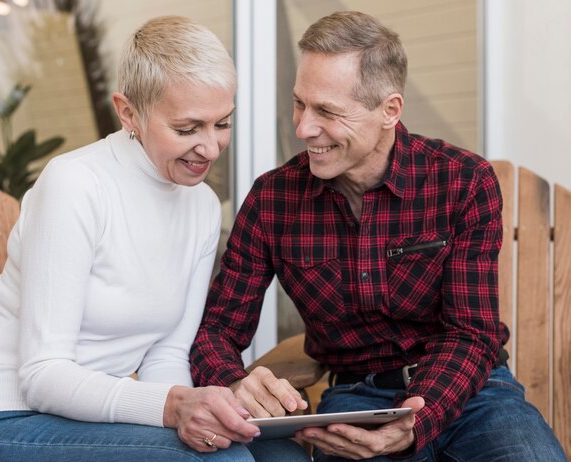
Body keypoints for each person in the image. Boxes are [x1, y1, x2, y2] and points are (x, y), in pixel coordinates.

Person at [190, 10, 567, 462]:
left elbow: (471, 331)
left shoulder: (462, 182)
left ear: (389, 110)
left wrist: (417, 419)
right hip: (355, 398)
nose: (303, 127)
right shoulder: (274, 200)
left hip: (474, 395)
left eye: (327, 111)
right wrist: (234, 380)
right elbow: (216, 330)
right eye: (299, 103)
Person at [0, 16, 310, 462]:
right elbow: (42, 375)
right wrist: (175, 408)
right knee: (221, 460)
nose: (212, 148)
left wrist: (194, 415)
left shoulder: (198, 208)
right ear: (128, 112)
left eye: (222, 123)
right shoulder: (76, 185)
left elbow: (166, 355)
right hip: (2, 422)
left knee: (282, 457)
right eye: (187, 128)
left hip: (92, 423)